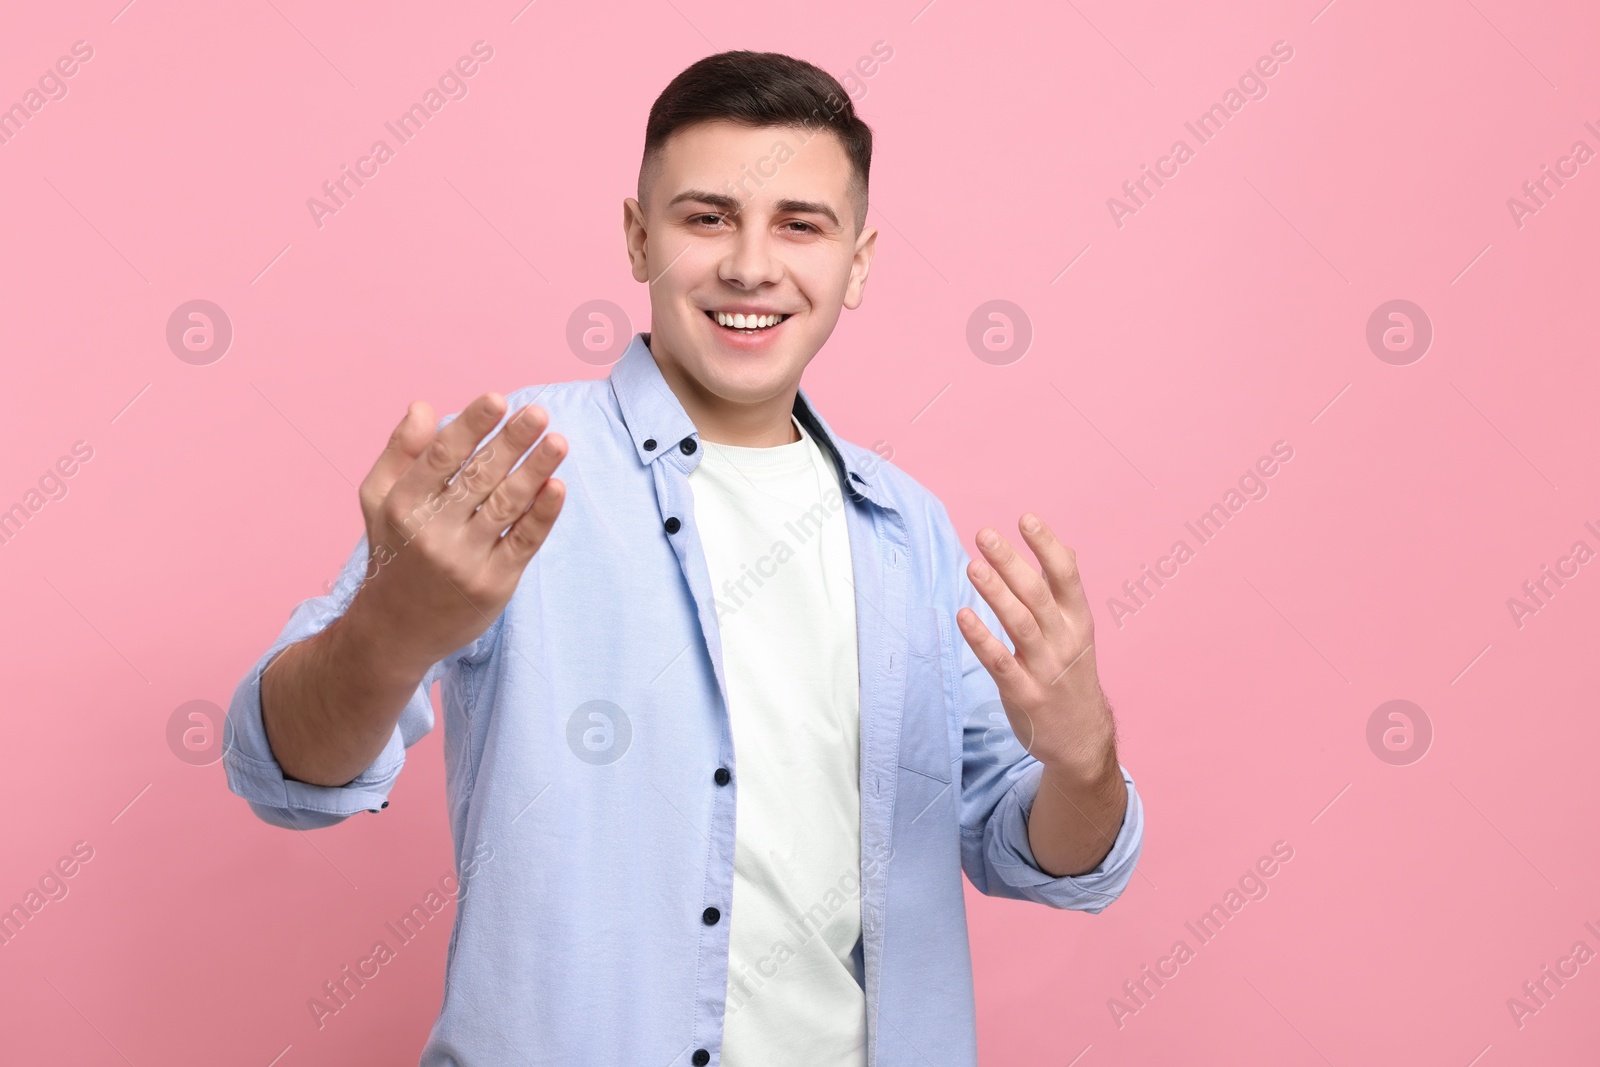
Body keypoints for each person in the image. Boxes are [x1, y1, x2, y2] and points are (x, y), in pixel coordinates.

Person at [224, 49, 1144, 1067]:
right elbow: (285, 772)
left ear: (860, 262)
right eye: (706, 217)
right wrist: (386, 637)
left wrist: (1081, 755)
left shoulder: (908, 530)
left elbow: (1050, 858)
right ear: (636, 237)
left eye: (800, 223)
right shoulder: (508, 475)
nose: (751, 264)